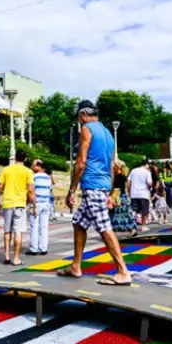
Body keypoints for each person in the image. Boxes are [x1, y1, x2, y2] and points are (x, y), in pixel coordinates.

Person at [58, 101, 132, 285]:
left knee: (104, 227)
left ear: (83, 115)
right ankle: (75, 266)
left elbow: (81, 162)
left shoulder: (87, 129)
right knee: (78, 223)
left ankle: (123, 271)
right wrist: (111, 191)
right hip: (103, 184)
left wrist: (72, 189)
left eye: (78, 118)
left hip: (92, 185)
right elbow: (111, 166)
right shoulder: (108, 133)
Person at [0, 149, 35, 266]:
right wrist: (31, 203)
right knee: (18, 231)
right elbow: (31, 190)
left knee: (7, 230)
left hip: (7, 203)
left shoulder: (6, 169)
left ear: (15, 157)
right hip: (20, 204)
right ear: (25, 159)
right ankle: (16, 258)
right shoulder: (28, 172)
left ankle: (7, 256)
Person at [28, 160, 53, 255]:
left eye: (33, 165)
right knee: (44, 227)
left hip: (36, 204)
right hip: (46, 204)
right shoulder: (48, 178)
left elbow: (31, 192)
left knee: (34, 226)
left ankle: (33, 249)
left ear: (38, 166)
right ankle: (44, 248)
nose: (31, 167)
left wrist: (33, 205)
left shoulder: (34, 177)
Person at [109, 160, 136, 234]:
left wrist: (111, 197)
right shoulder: (124, 176)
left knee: (114, 214)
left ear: (117, 167)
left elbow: (114, 187)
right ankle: (132, 229)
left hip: (117, 195)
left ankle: (114, 232)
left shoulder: (115, 176)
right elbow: (126, 187)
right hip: (123, 196)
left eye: (114, 166)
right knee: (126, 214)